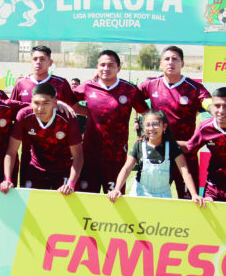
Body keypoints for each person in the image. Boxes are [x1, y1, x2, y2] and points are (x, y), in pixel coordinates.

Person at [138, 45, 211, 199]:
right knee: (152, 198)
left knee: (189, 200)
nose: (170, 62)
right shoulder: (151, 84)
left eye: (175, 59)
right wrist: (142, 120)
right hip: (159, 151)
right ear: (161, 63)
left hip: (185, 152)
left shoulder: (194, 88)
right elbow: (131, 97)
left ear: (182, 64)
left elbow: (209, 104)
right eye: (167, 59)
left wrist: (219, 109)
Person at [73, 50, 149, 194]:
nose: (106, 68)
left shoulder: (129, 90)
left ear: (118, 68)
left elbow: (146, 112)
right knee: (87, 198)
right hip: (90, 154)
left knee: (115, 198)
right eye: (102, 65)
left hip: (116, 156)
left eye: (110, 65)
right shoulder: (88, 86)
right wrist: (90, 112)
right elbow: (70, 102)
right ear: (97, 67)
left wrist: (145, 133)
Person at [10, 45, 78, 185]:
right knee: (29, 192)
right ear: (30, 61)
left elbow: (74, 108)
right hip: (29, 151)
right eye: (35, 59)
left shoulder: (61, 83)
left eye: (42, 59)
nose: (38, 62)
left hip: (58, 153)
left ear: (50, 62)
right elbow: (14, 109)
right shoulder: (21, 83)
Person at [108, 111, 205, 206]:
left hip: (163, 197)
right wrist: (117, 189)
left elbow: (184, 171)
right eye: (147, 125)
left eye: (155, 124)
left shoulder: (172, 147)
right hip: (139, 193)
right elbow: (127, 168)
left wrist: (194, 194)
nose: (151, 128)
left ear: (164, 127)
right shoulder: (139, 145)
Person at [1, 83, 83, 195]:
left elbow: (78, 155)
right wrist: (7, 179)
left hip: (63, 170)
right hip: (36, 169)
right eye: (36, 103)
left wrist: (71, 183)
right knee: (32, 205)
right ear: (31, 102)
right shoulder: (24, 115)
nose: (40, 108)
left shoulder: (67, 118)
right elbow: (12, 151)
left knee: (62, 204)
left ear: (55, 103)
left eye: (45, 103)